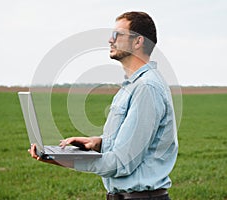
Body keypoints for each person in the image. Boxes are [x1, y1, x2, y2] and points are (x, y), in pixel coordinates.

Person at [29, 11, 178, 200]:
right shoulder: (132, 86)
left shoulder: (147, 88)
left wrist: (61, 158)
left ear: (138, 41)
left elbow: (122, 162)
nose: (110, 39)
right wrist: (99, 143)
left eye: (118, 35)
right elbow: (130, 141)